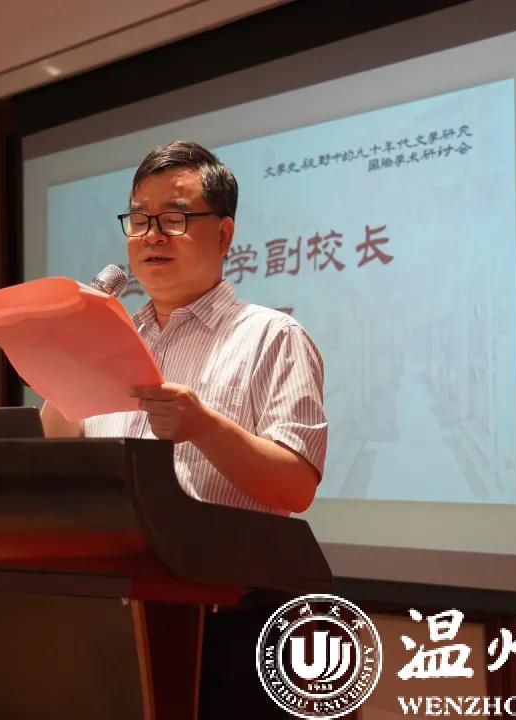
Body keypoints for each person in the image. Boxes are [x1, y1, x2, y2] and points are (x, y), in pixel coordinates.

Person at [39, 140, 328, 717]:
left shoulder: (272, 336)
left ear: (223, 234)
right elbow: (57, 453)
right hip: (119, 616)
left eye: (173, 219)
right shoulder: (115, 340)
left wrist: (202, 427)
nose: (151, 236)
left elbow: (296, 486)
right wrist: (70, 358)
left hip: (235, 623)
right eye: (138, 219)